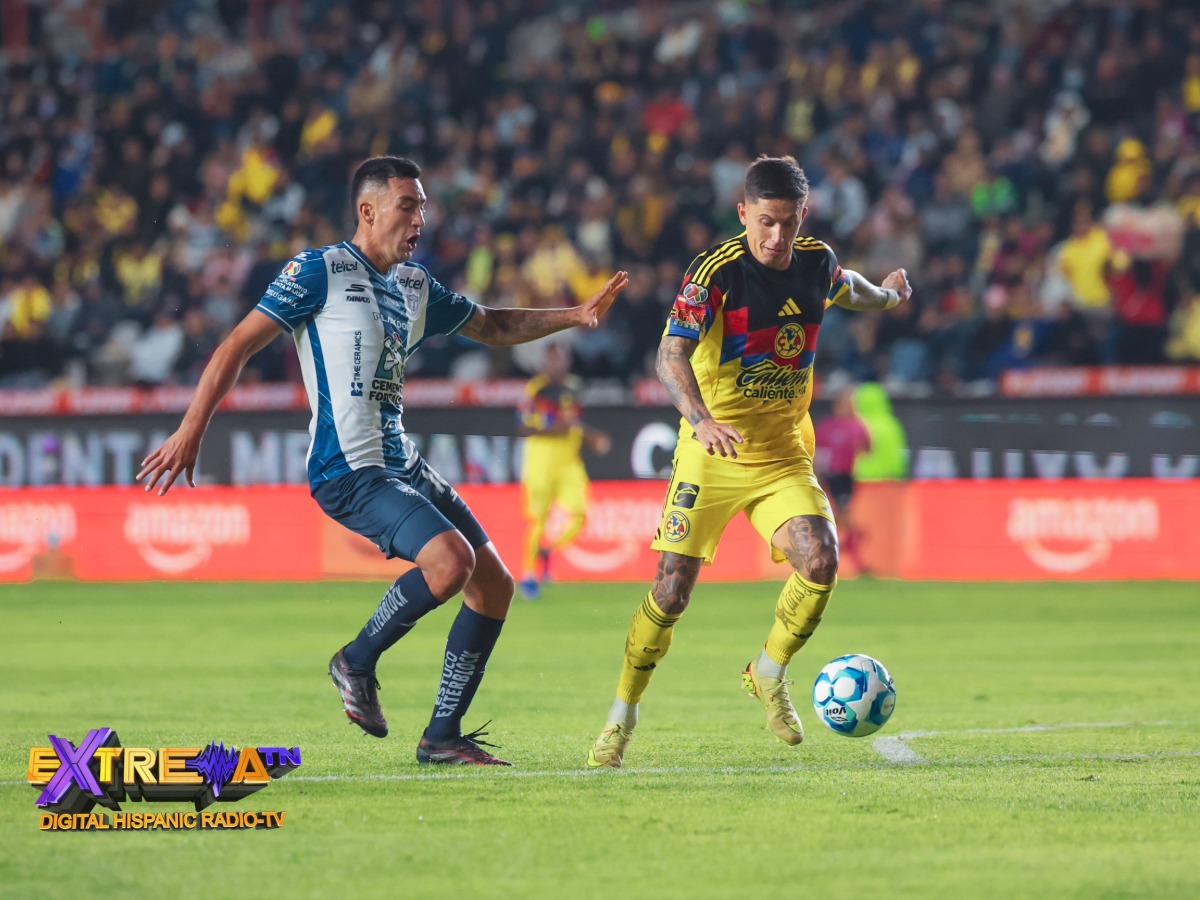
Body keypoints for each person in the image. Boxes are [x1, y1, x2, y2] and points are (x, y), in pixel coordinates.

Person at [138, 156, 628, 767]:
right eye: (408, 205)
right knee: (449, 562)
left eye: (423, 206)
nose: (421, 217)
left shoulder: (417, 286)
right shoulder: (320, 270)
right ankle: (355, 660)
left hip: (403, 463)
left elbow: (492, 325)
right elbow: (237, 344)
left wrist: (573, 317)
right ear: (368, 211)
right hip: (347, 469)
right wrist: (192, 428)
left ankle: (442, 737)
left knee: (494, 584)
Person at [585, 156, 910, 768]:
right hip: (711, 452)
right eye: (764, 222)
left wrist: (889, 296)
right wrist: (700, 419)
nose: (776, 237)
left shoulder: (816, 262)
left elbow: (853, 288)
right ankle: (621, 715)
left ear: (802, 216)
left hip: (781, 452)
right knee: (672, 591)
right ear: (743, 214)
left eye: (787, 223)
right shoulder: (714, 275)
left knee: (821, 557)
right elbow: (670, 355)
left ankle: (768, 672)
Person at [515, 342, 611, 600]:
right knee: (538, 520)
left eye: (561, 359)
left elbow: (573, 423)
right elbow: (523, 428)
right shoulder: (536, 390)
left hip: (569, 461)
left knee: (580, 515)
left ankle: (546, 551)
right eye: (552, 360)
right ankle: (528, 577)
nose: (557, 364)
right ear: (545, 363)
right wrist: (558, 427)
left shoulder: (573, 386)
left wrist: (591, 437)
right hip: (541, 461)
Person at [814, 386, 872, 576]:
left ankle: (831, 544)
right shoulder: (826, 426)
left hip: (847, 477)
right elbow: (819, 453)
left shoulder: (857, 425)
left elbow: (867, 448)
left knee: (842, 513)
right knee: (839, 513)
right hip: (830, 476)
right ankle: (841, 542)